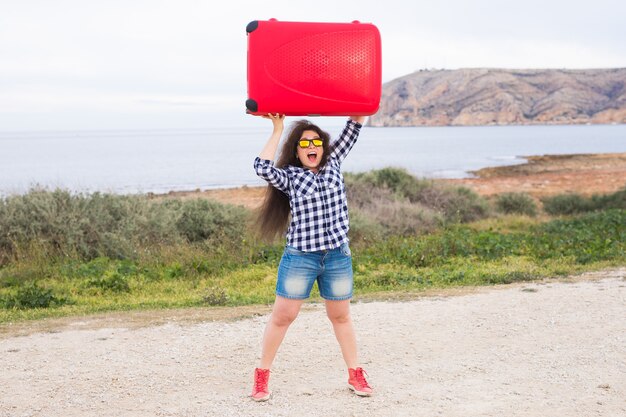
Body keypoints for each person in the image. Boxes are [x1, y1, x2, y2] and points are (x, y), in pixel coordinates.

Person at [250, 113, 372, 401]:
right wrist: (278, 127)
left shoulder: (334, 162)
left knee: (340, 316)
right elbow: (262, 167)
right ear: (297, 151)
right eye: (304, 144)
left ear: (324, 147)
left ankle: (355, 373)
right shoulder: (291, 177)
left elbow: (355, 122)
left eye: (316, 141)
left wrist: (357, 97)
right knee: (283, 317)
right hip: (301, 258)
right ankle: (261, 376)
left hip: (337, 256)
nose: (311, 146)